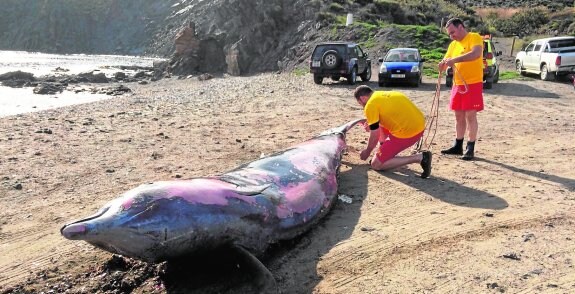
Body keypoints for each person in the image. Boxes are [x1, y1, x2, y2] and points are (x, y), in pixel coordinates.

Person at [353, 85, 432, 178]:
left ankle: (419, 158)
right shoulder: (382, 94)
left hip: (408, 133)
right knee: (379, 127)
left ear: (362, 98)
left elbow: (375, 134)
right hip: (420, 126)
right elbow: (384, 119)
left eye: (360, 103)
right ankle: (384, 151)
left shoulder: (370, 104)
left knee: (376, 164)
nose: (362, 106)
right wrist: (372, 125)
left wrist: (367, 151)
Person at [438, 18, 484, 160]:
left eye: (453, 32)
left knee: (471, 115)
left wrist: (455, 60)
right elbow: (446, 62)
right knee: (458, 115)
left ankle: (470, 147)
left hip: (473, 83)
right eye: (449, 34)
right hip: (457, 84)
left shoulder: (474, 37)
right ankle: (458, 145)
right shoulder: (453, 45)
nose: (452, 36)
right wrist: (442, 65)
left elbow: (475, 54)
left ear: (461, 27)